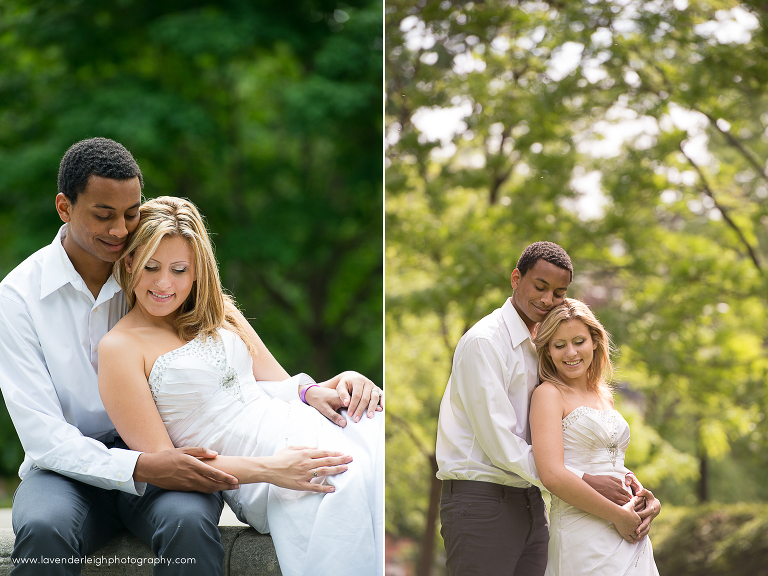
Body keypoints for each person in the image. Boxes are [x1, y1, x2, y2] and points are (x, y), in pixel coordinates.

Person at [0, 137, 380, 575]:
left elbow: (235, 362)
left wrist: (311, 390)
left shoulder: (153, 268)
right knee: (45, 530)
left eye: (130, 214)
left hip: (170, 450)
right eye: (103, 216)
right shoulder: (18, 298)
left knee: (188, 521)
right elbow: (45, 437)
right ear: (64, 207)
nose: (120, 231)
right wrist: (143, 465)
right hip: (67, 467)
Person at [97, 196, 384, 576]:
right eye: (151, 267)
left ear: (198, 269)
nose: (164, 283)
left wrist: (322, 389)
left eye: (180, 269)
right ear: (129, 261)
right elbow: (169, 467)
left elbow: (280, 383)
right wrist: (272, 469)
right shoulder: (119, 348)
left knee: (379, 444)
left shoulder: (220, 311)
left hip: (297, 425)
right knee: (345, 483)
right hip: (261, 474)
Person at [435, 241, 660, 576]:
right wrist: (584, 480)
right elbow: (502, 445)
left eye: (558, 292)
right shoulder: (485, 342)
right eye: (540, 287)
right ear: (516, 278)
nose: (547, 300)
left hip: (533, 501)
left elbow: (566, 441)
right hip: (481, 500)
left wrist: (629, 486)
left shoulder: (540, 344)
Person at [530, 298, 660, 575]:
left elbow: (609, 459)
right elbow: (551, 474)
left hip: (629, 526)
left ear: (595, 342)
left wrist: (646, 499)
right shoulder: (548, 395)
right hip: (583, 529)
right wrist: (617, 516)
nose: (571, 352)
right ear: (548, 351)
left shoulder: (604, 395)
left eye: (579, 341)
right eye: (559, 344)